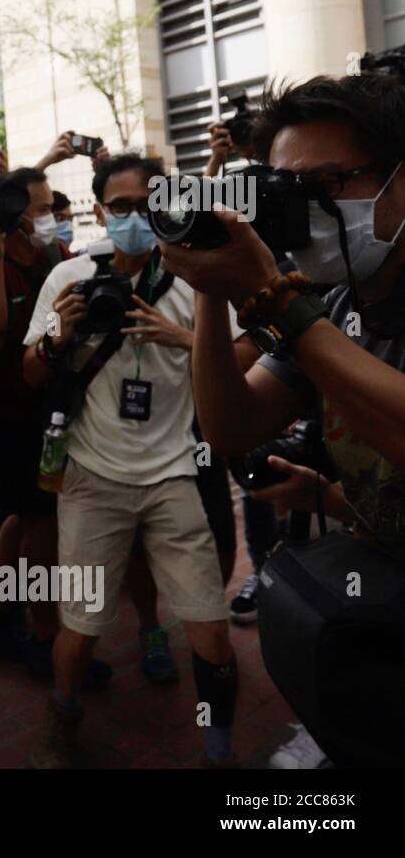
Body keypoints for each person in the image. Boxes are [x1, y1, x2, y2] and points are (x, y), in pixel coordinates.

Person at [164, 73, 405, 769]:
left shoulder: (304, 308)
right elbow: (231, 425)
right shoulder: (330, 303)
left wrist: (272, 297)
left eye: (329, 181)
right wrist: (212, 287)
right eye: (287, 190)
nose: (302, 209)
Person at [23, 153, 248, 768]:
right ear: (99, 210)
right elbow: (30, 370)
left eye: (148, 205)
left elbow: (243, 357)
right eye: (119, 207)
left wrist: (185, 338)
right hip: (92, 478)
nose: (134, 217)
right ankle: (63, 715)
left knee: (211, 631)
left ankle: (220, 751)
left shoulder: (199, 280)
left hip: (175, 472)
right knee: (81, 628)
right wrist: (58, 336)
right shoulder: (69, 276)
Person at [0, 168, 112, 686]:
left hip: (43, 407)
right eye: (41, 208)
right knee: (40, 518)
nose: (52, 216)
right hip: (1, 415)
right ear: (15, 216)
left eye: (53, 206)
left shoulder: (57, 259)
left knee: (24, 514)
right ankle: (46, 638)